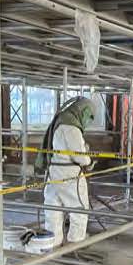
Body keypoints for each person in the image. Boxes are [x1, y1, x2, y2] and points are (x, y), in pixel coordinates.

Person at [41, 97, 96, 245]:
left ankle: (53, 241)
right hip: (69, 173)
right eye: (89, 116)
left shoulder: (60, 120)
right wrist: (89, 160)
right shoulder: (71, 126)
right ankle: (76, 241)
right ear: (83, 111)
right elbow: (80, 156)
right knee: (79, 207)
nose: (89, 121)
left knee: (53, 206)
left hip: (54, 170)